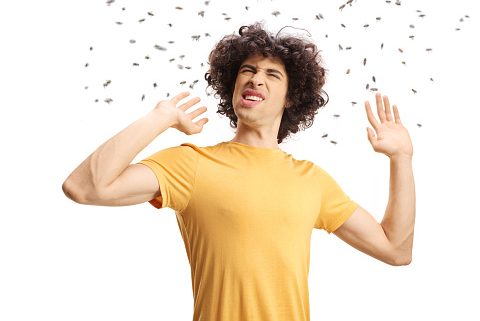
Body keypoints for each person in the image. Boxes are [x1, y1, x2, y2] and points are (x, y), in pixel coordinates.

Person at [62, 22, 415, 321]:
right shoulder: (191, 165)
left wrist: (401, 160)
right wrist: (161, 117)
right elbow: (85, 187)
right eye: (248, 71)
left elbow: (395, 250)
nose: (256, 79)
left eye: (272, 74)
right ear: (232, 86)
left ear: (291, 98)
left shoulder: (313, 181)